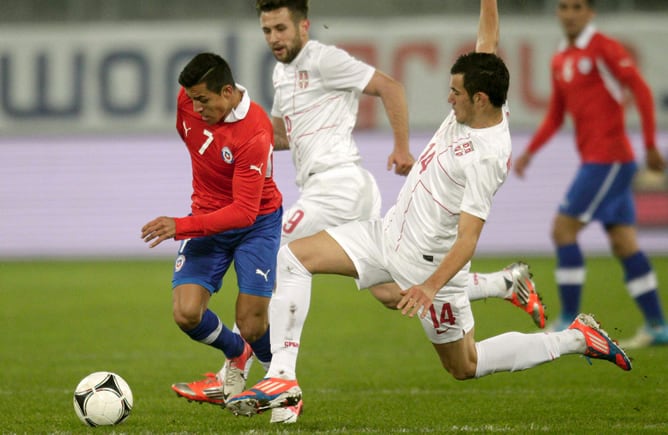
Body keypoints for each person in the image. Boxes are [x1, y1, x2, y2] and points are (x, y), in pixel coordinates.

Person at [226, 0, 631, 419]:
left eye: (454, 93)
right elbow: (488, 36)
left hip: (426, 265)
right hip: (387, 236)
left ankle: (577, 339)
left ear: (478, 98)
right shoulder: (484, 92)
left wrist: (431, 287)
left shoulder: (485, 158)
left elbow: (468, 239)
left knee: (464, 365)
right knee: (292, 256)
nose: (447, 98)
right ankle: (283, 377)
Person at [172, 0, 547, 424]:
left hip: (339, 186)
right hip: (320, 185)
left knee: (278, 255)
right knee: (393, 293)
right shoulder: (282, 75)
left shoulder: (325, 60)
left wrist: (401, 146)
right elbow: (278, 135)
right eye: (267, 30)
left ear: (303, 27)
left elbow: (390, 86)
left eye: (281, 27)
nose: (274, 38)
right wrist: (237, 127)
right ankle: (504, 283)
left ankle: (251, 376)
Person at [513, 0, 668, 348]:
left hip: (609, 159)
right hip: (598, 160)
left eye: (577, 7)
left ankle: (569, 320)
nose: (569, 13)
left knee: (563, 228)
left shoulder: (604, 48)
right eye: (564, 7)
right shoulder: (560, 57)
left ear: (590, 12)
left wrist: (650, 144)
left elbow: (640, 90)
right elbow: (556, 114)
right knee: (623, 242)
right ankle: (658, 326)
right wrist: (529, 153)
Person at [140, 52, 283, 412]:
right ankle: (236, 356)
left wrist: (181, 226)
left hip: (256, 223)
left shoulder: (254, 131)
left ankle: (279, 382)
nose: (195, 107)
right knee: (186, 313)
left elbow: (243, 211)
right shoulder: (188, 103)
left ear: (228, 92)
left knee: (251, 323)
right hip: (207, 217)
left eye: (203, 100)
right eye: (191, 99)